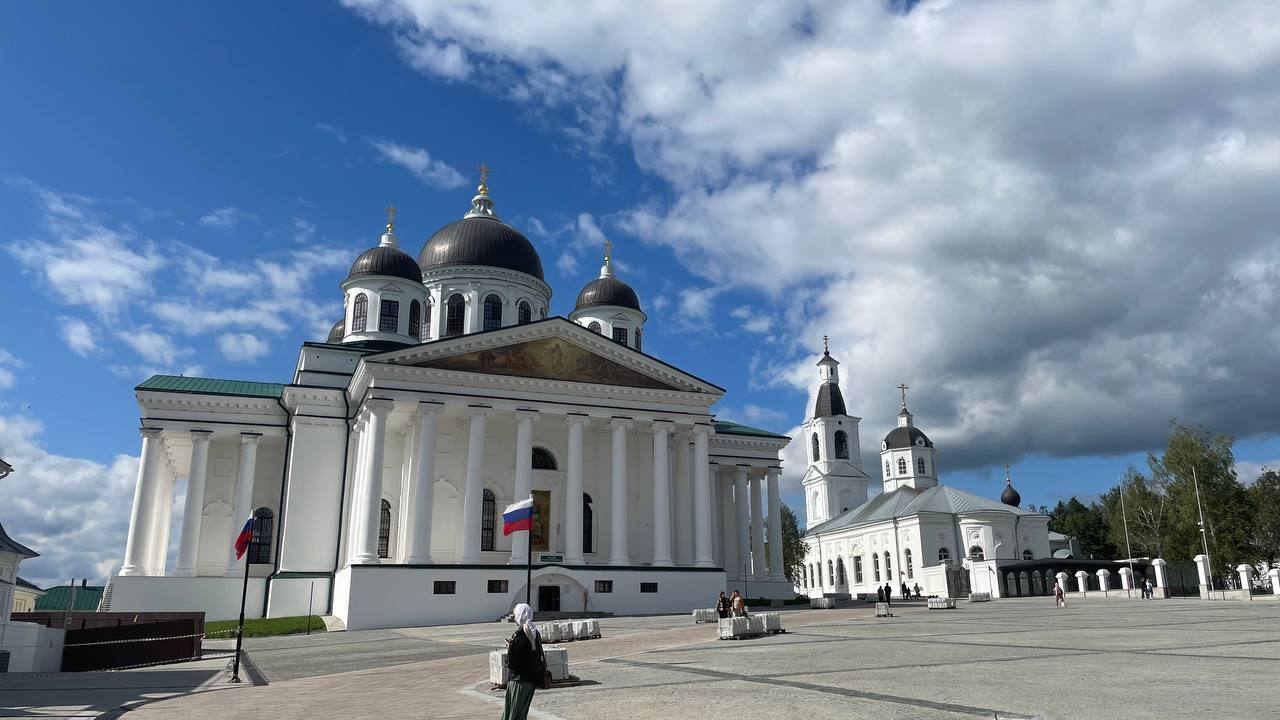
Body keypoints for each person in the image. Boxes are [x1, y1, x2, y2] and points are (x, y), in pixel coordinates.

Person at [502, 603, 544, 720]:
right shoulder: (534, 631)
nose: (514, 617)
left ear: (521, 615)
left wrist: (510, 648)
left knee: (513, 713)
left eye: (516, 614)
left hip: (519, 680)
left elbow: (514, 661)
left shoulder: (521, 635)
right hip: (530, 679)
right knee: (521, 713)